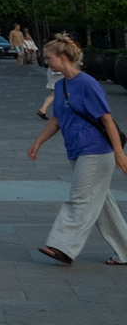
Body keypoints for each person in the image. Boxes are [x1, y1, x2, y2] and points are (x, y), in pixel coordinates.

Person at [27, 35, 127, 266]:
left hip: (97, 151)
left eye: (48, 58)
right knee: (102, 206)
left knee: (80, 198)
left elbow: (108, 120)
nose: (46, 62)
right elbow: (56, 120)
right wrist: (38, 142)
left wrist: (119, 154)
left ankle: (62, 246)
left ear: (63, 58)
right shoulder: (61, 86)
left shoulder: (88, 84)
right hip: (77, 150)